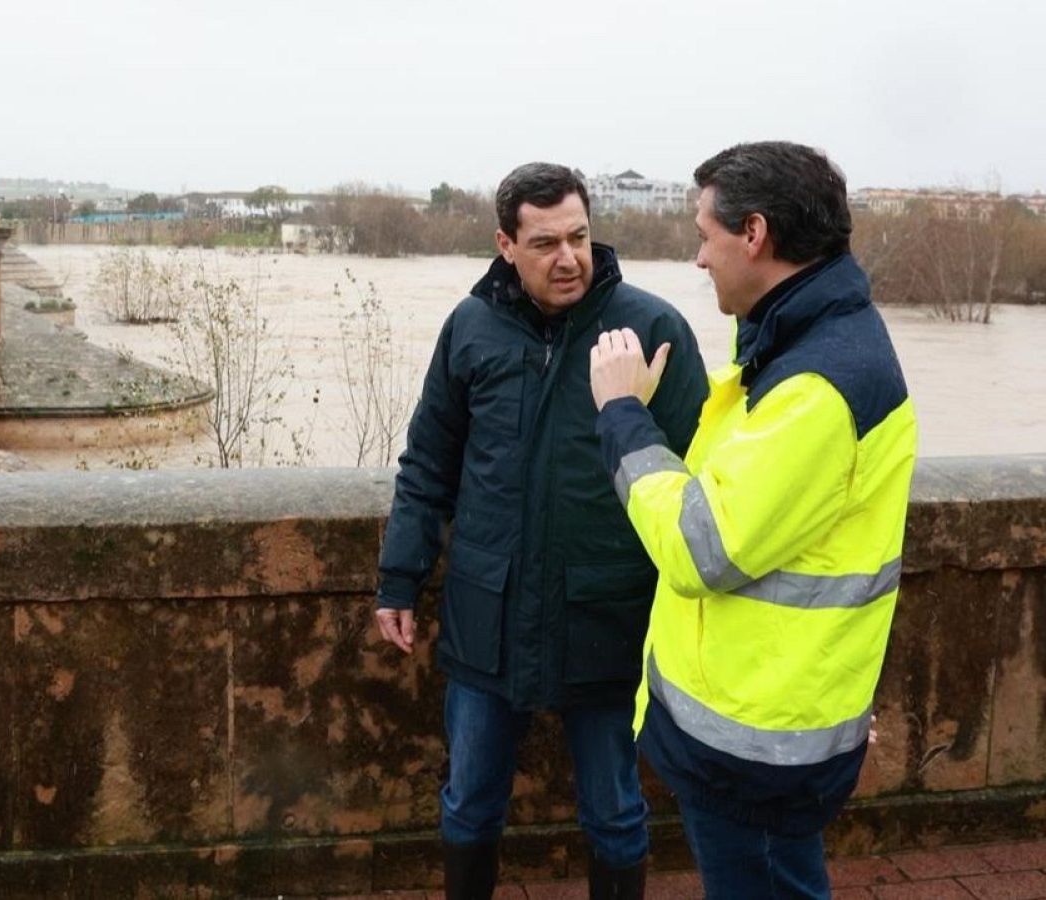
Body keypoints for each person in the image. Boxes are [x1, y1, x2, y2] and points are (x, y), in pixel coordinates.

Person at [588, 141, 917, 899]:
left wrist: (623, 415)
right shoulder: (799, 342)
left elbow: (699, 547)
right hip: (761, 716)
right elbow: (759, 491)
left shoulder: (822, 383)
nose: (699, 259)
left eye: (706, 236)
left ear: (755, 234)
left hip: (760, 739)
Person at [374, 162, 708, 900]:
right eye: (546, 242)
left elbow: (704, 481)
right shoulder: (470, 327)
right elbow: (429, 462)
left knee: (616, 811)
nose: (569, 258)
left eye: (580, 238)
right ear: (506, 244)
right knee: (469, 801)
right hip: (486, 609)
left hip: (606, 611)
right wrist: (400, 577)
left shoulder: (651, 329)